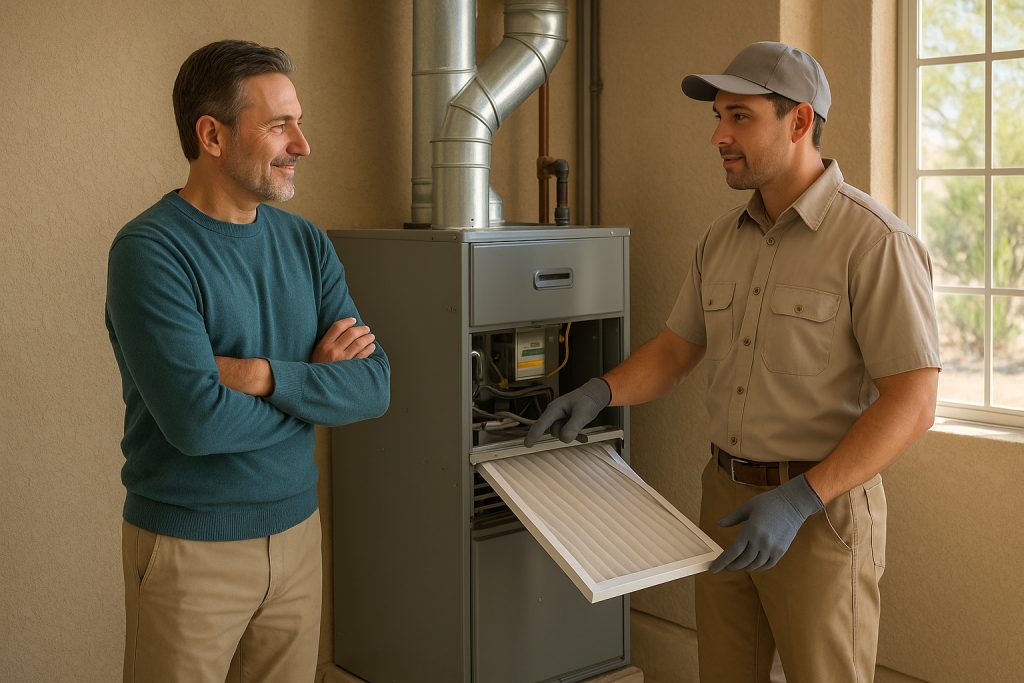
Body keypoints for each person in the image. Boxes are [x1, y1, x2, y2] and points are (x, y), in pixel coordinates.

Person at [525, 41, 940, 682]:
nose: (719, 136)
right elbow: (676, 351)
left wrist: (801, 498)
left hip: (819, 511)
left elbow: (913, 402)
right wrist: (600, 391)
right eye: (718, 116)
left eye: (740, 117)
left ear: (799, 121)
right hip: (723, 501)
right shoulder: (720, 240)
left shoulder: (876, 242)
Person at [105, 40, 390, 683]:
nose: (302, 145)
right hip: (189, 548)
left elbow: (373, 386)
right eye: (278, 125)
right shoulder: (150, 251)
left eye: (299, 122)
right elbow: (198, 423)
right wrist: (313, 387)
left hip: (297, 534)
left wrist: (261, 375)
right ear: (212, 135)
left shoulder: (306, 242)